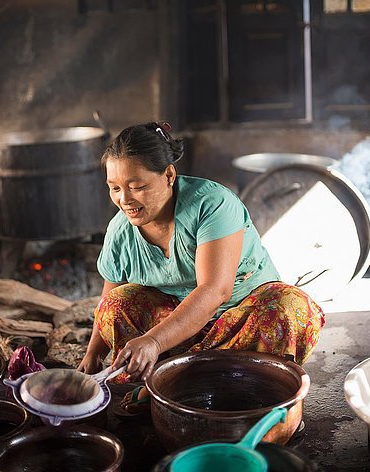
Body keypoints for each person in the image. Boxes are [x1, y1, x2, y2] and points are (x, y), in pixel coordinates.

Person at [78, 121, 325, 416]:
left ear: (169, 175)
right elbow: (110, 297)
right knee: (118, 305)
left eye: (137, 186)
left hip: (240, 324)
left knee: (291, 308)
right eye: (114, 188)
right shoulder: (120, 229)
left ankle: (170, 386)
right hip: (178, 330)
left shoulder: (212, 204)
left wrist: (154, 341)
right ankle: (188, 383)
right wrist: (93, 355)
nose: (124, 199)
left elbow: (214, 290)